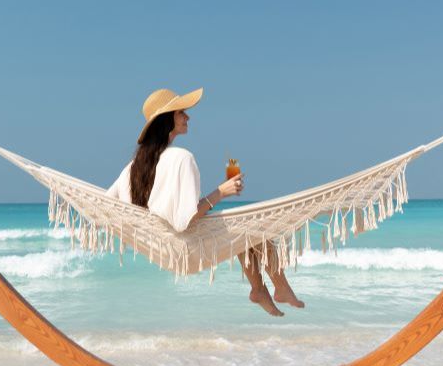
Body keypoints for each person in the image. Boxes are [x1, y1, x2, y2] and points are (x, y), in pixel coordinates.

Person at [105, 87, 305, 317]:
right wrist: (221, 191)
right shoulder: (181, 158)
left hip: (162, 249)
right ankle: (279, 287)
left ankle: (261, 290)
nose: (188, 117)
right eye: (181, 112)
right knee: (254, 224)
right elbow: (187, 219)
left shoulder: (132, 169)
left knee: (246, 230)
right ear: (166, 120)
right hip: (186, 247)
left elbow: (108, 204)